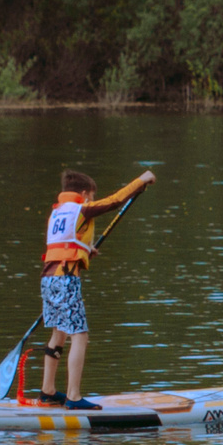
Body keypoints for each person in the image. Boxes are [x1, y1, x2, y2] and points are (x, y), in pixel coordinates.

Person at [37, 166, 153, 406]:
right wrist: (141, 181)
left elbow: (65, 241)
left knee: (58, 333)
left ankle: (48, 391)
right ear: (84, 193)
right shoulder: (81, 208)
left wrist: (85, 249)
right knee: (79, 335)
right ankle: (73, 396)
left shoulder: (56, 213)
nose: (92, 199)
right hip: (66, 279)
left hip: (48, 279)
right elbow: (114, 201)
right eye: (91, 195)